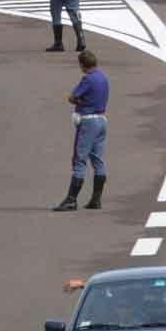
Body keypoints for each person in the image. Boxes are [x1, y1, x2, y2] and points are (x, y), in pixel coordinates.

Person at [54, 50, 109, 211]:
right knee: (98, 160)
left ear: (82, 65)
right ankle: (96, 199)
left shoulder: (88, 78)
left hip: (88, 122)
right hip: (101, 120)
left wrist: (80, 101)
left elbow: (72, 97)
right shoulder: (103, 77)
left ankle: (71, 200)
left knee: (79, 159)